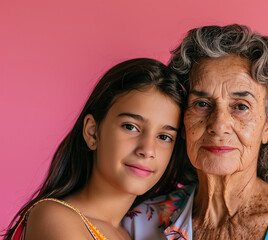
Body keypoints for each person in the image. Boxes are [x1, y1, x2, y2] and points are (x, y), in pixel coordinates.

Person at [122, 25, 268, 239]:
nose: (219, 125)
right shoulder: (141, 224)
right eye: (202, 104)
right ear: (182, 122)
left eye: (241, 107)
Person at [3, 58, 196, 240]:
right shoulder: (54, 217)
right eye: (131, 127)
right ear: (92, 132)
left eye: (164, 137)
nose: (147, 149)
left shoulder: (132, 233)